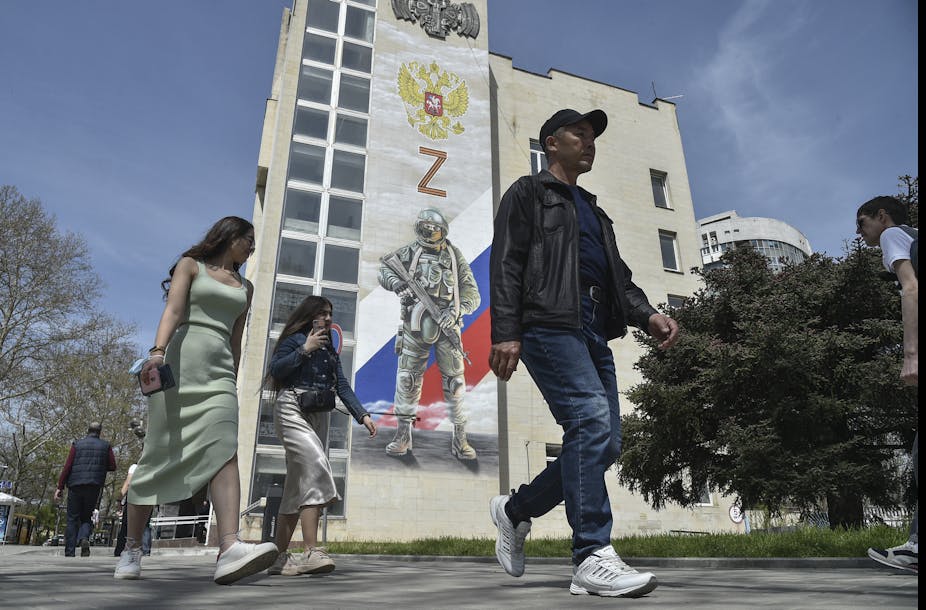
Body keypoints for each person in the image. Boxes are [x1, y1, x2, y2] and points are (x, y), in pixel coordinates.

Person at [488, 109, 679, 597]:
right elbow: (507, 260)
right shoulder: (530, 193)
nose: (589, 142)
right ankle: (592, 554)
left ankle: (514, 511)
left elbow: (619, 278)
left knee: (605, 443)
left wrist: (648, 313)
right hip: (547, 323)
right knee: (590, 421)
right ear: (552, 142)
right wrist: (506, 330)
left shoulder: (594, 211)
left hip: (595, 328)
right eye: (580, 133)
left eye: (593, 136)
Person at [114, 216, 278, 584]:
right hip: (180, 367)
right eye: (247, 239)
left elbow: (236, 338)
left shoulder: (245, 287)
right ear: (229, 236)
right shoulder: (191, 266)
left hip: (219, 376)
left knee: (225, 448)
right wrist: (157, 352)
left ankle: (230, 548)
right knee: (157, 454)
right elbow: (173, 310)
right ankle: (132, 549)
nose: (251, 246)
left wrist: (232, 381)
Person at [264, 296, 377, 576]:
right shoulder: (294, 340)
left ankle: (278, 557)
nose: (328, 318)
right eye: (322, 313)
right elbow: (276, 369)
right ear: (309, 316)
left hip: (319, 413)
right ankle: (312, 551)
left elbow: (343, 386)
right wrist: (305, 348)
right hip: (292, 408)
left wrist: (362, 415)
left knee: (294, 486)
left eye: (330, 313)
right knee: (315, 465)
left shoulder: (330, 351)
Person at [378, 208, 481, 459]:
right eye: (424, 228)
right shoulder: (410, 252)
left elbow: (473, 293)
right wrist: (396, 284)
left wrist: (457, 311)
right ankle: (403, 435)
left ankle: (459, 438)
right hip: (414, 324)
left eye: (432, 229)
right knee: (407, 379)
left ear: (442, 230)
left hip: (447, 326)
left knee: (455, 383)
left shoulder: (455, 257)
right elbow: (384, 271)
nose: (428, 232)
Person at [855, 195, 918, 573]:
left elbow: (911, 289)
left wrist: (911, 356)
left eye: (861, 224)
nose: (861, 235)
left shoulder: (894, 234)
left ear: (881, 216)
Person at [55, 422, 116, 558]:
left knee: (72, 518)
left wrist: (60, 486)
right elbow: (112, 466)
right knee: (86, 516)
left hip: (75, 485)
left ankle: (70, 551)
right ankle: (84, 538)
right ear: (100, 432)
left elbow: (68, 466)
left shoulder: (77, 444)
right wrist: (100, 465)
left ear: (88, 430)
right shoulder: (106, 446)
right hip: (94, 485)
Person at [113, 464, 151, 557]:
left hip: (134, 497)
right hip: (148, 496)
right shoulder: (151, 468)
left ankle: (120, 549)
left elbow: (128, 483)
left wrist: (120, 499)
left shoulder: (134, 467)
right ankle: (145, 550)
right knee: (145, 524)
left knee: (127, 523)